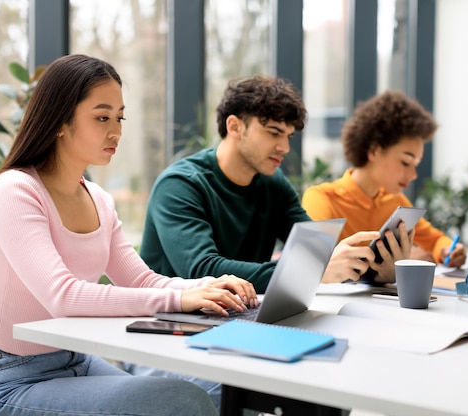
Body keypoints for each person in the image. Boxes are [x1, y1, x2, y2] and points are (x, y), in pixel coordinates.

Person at [0, 54, 259, 416]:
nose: (116, 131)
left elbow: (142, 279)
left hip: (78, 362)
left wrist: (207, 287)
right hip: (13, 381)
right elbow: (63, 297)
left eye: (119, 117)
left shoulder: (99, 200)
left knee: (222, 386)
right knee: (183, 402)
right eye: (102, 117)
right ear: (60, 119)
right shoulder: (16, 189)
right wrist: (179, 301)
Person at [139, 74, 383, 293]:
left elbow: (315, 249)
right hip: (169, 321)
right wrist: (310, 271)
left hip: (238, 312)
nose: (285, 148)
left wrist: (378, 268)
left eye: (288, 136)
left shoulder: (272, 182)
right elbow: (203, 269)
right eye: (273, 133)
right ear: (234, 126)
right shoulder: (180, 185)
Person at [302, 90, 467, 283]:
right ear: (373, 151)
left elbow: (436, 240)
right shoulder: (322, 199)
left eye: (416, 165)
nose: (413, 175)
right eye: (406, 162)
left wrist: (449, 250)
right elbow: (314, 267)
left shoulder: (395, 202)